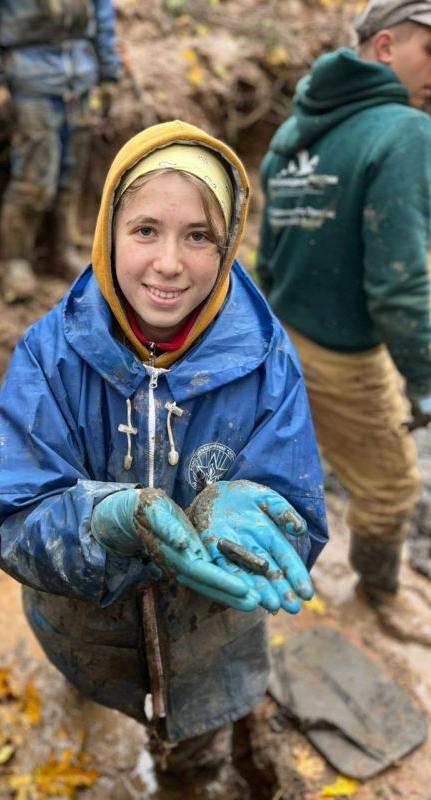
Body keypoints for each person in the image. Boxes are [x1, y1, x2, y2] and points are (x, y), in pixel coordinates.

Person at [0, 120, 328, 784]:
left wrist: (248, 509)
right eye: (145, 230)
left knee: (196, 764)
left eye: (199, 236)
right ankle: (87, 696)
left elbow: (299, 527)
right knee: (86, 695)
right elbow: (10, 521)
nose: (169, 263)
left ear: (227, 247)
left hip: (211, 648)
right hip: (83, 628)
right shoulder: (49, 356)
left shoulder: (267, 360)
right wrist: (102, 519)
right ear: (107, 229)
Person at [257, 0, 431, 643]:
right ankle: (380, 592)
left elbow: (268, 257)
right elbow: (398, 284)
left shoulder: (294, 135)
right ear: (385, 48)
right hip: (347, 352)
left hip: (285, 334)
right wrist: (424, 377)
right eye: (430, 53)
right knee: (392, 488)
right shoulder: (405, 131)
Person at [0, 0, 122, 302]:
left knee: (70, 175)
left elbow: (102, 14)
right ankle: (15, 261)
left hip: (80, 80)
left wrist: (109, 71)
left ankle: (62, 251)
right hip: (29, 82)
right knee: (34, 179)